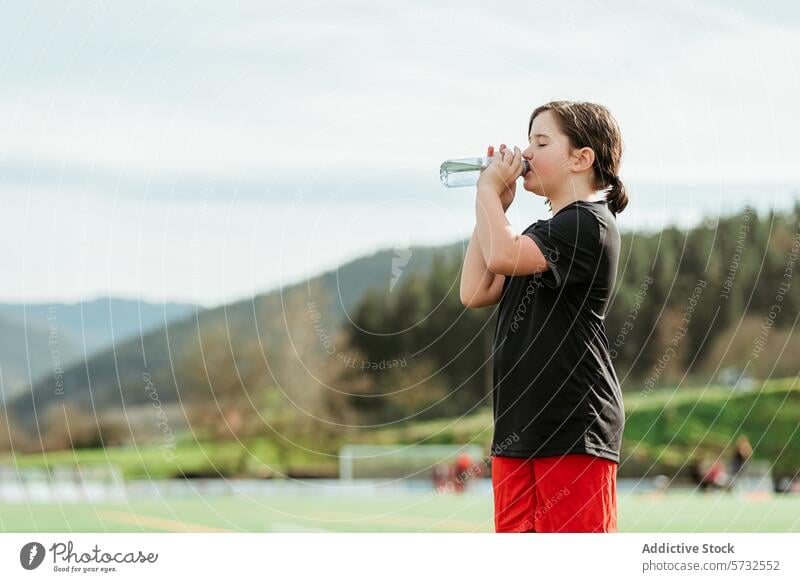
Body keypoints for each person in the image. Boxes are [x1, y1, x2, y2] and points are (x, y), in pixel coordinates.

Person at [459, 101, 628, 533]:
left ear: (581, 158)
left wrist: (485, 192)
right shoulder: (539, 233)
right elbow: (477, 290)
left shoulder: (590, 225)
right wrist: (494, 203)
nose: (526, 152)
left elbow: (502, 252)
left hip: (573, 427)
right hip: (518, 430)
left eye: (541, 141)